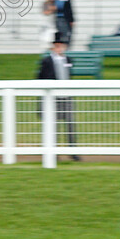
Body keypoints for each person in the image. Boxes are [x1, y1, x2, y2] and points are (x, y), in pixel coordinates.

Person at [37, 33, 80, 161]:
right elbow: (40, 79)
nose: (59, 48)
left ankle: (73, 151)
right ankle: (53, 153)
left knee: (71, 124)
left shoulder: (68, 60)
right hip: (53, 99)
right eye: (57, 45)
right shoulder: (46, 61)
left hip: (66, 97)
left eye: (61, 45)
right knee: (53, 126)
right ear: (53, 46)